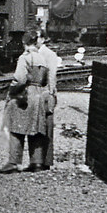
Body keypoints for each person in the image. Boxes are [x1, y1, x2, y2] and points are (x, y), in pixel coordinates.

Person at [0, 31, 52, 174]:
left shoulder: (24, 58)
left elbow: (20, 79)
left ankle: (13, 162)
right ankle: (36, 162)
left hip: (25, 95)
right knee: (36, 129)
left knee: (15, 127)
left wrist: (13, 89)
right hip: (38, 95)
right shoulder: (42, 58)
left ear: (24, 43)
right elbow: (45, 80)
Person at [36, 31, 60, 170]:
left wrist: (51, 94)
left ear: (43, 39)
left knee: (47, 127)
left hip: (45, 94)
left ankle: (46, 160)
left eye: (37, 38)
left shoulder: (49, 55)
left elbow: (52, 76)